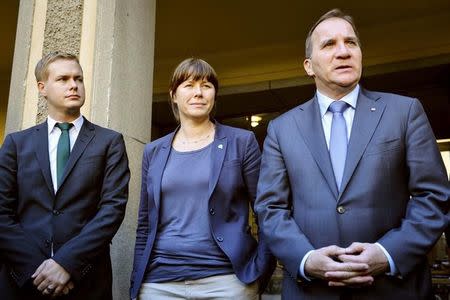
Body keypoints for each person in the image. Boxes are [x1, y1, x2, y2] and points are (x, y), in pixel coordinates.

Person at [254, 8, 450, 299]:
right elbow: (270, 210)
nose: (343, 51)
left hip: (394, 289)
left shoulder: (405, 112)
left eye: (351, 42)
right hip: (313, 291)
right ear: (308, 66)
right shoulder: (282, 129)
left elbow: (434, 197)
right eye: (329, 44)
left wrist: (388, 253)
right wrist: (306, 259)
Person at [130, 58, 275, 299]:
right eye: (189, 85)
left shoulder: (241, 142)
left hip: (226, 281)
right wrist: (137, 282)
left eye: (206, 86)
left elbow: (266, 211)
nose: (198, 92)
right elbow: (144, 223)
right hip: (160, 283)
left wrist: (260, 271)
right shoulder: (154, 151)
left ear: (214, 95)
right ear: (173, 95)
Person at [0, 52, 130, 299]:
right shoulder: (16, 144)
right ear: (42, 88)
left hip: (86, 281)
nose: (73, 85)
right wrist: (38, 270)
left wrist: (66, 264)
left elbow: (112, 209)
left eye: (78, 79)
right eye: (63, 79)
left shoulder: (109, 142)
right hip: (22, 281)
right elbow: (2, 213)